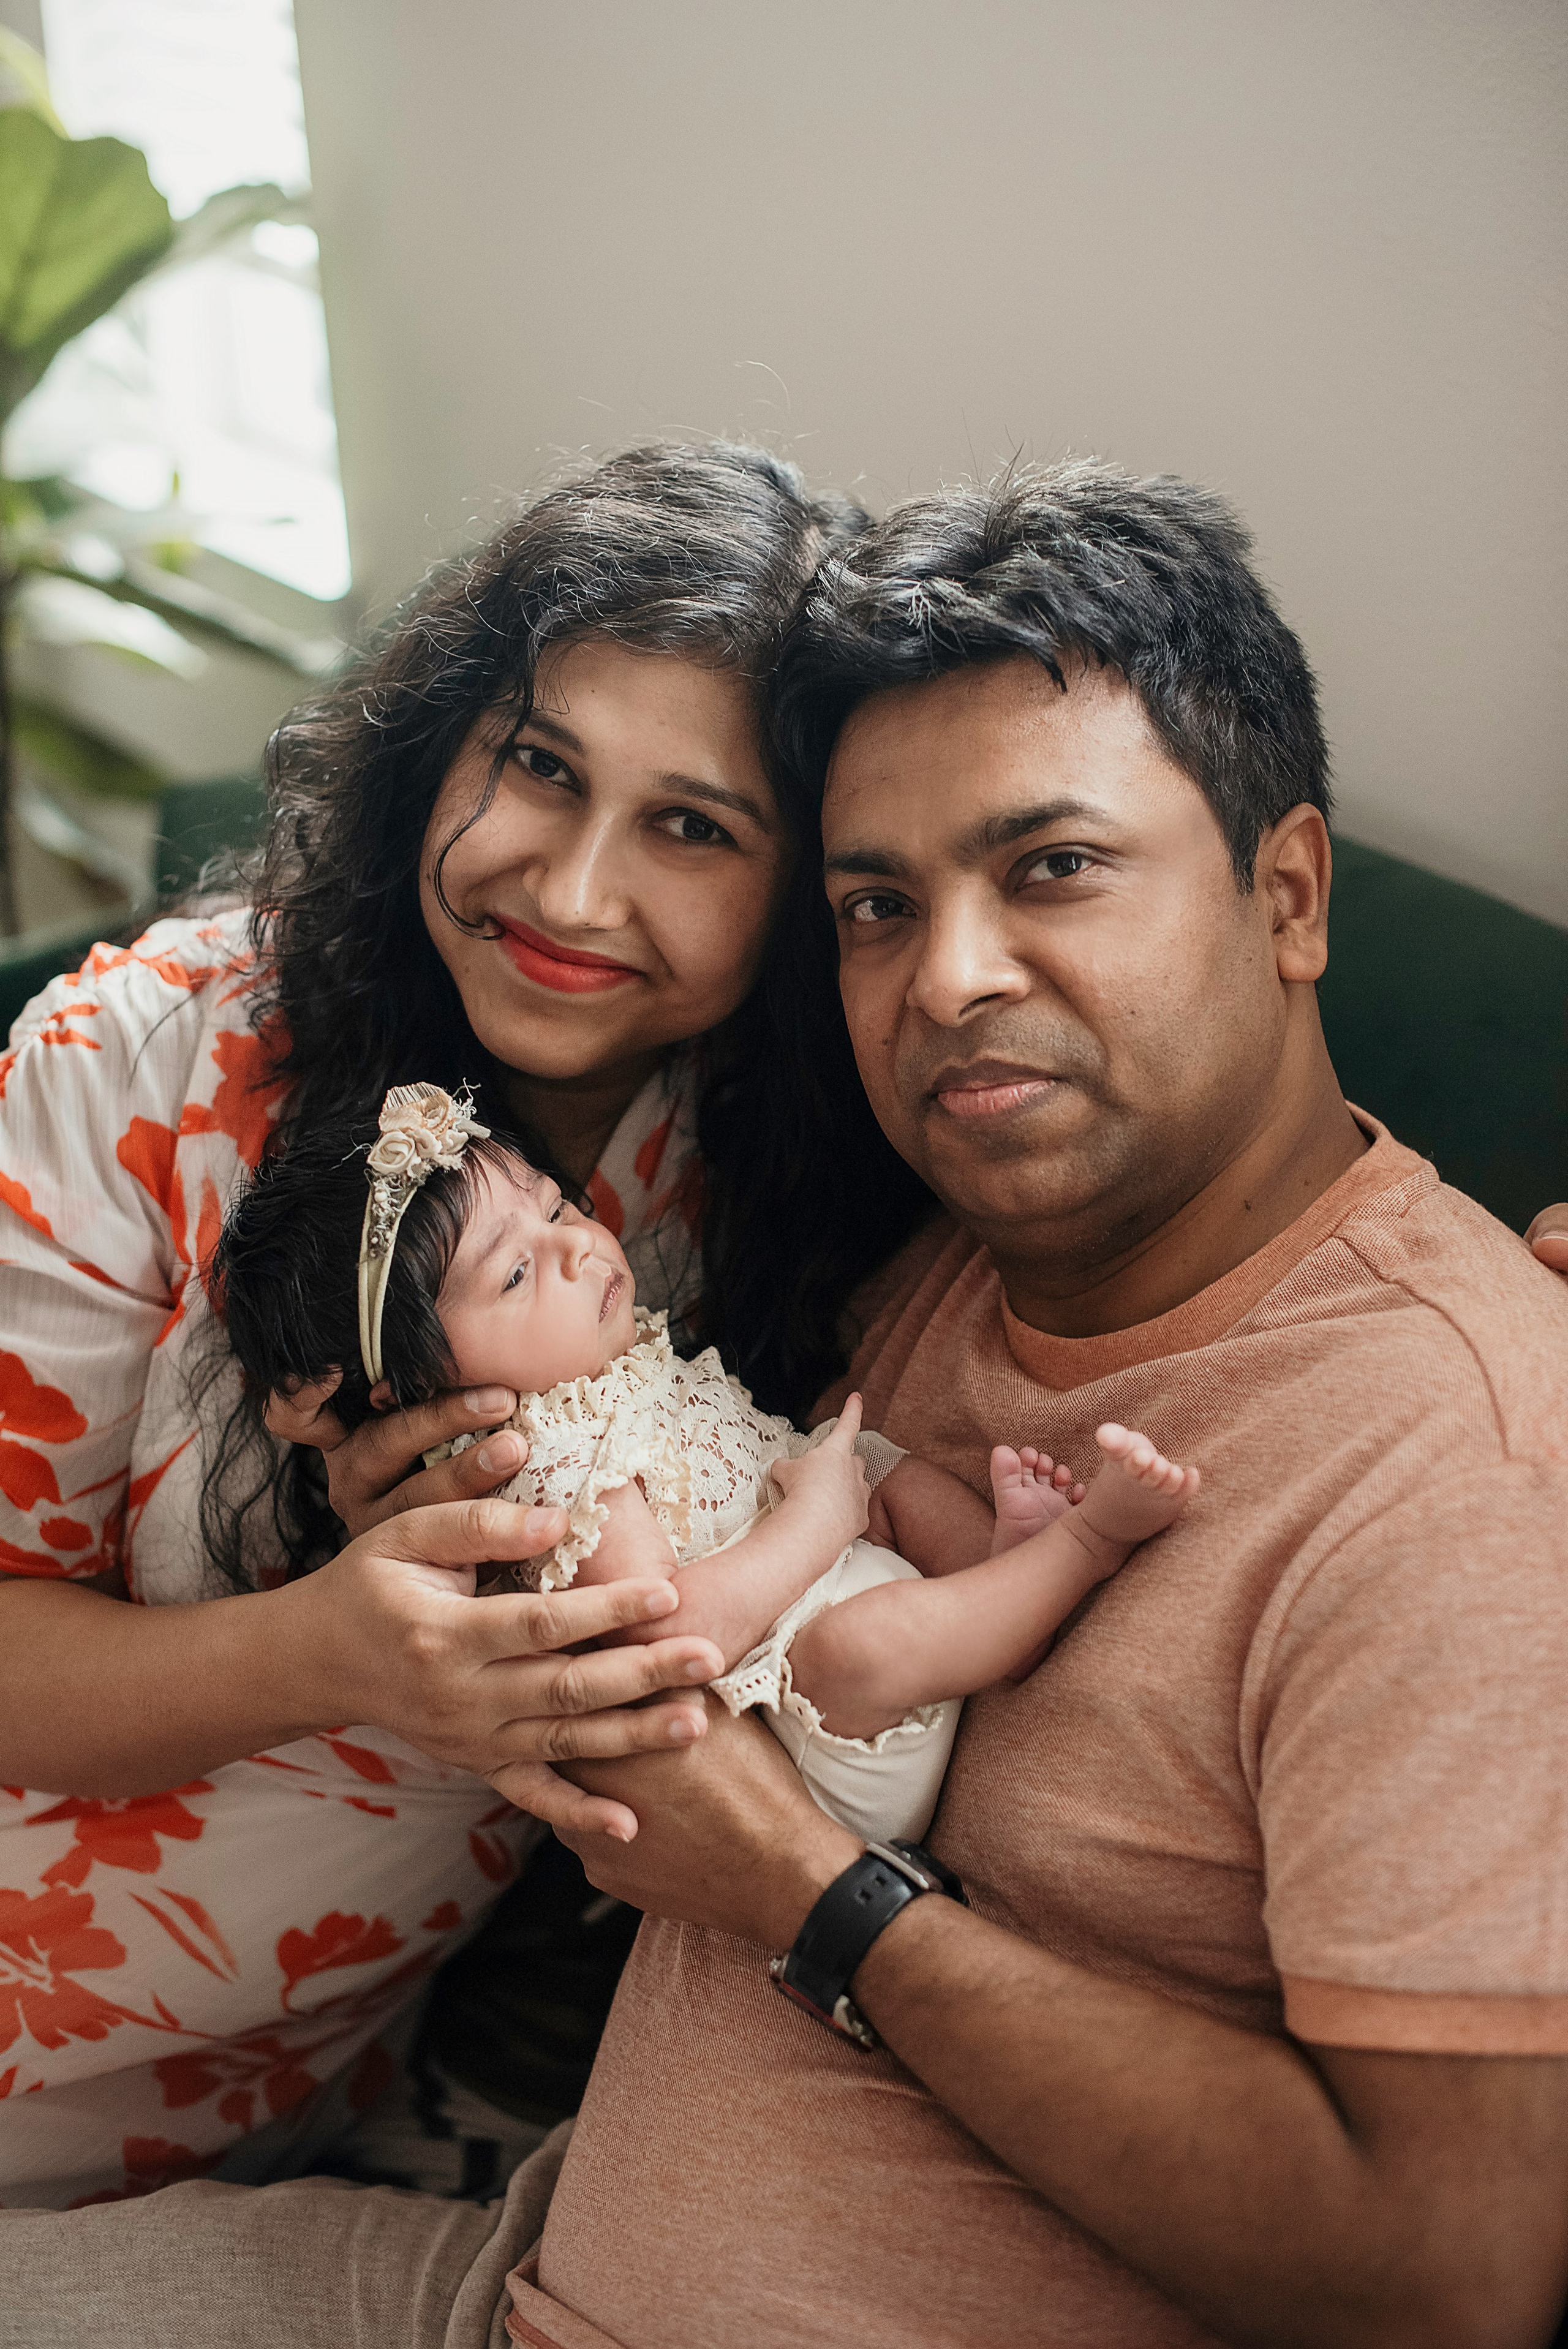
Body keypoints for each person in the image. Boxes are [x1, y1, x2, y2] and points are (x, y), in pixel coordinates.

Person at [6, 460, 1568, 2349]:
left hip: (398, 2142)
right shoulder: (891, 1224)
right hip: (376, 2192)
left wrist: (808, 1888)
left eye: (1052, 866)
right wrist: (339, 1636)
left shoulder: (1413, 1423)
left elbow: (1449, 2268)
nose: (954, 979)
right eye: (881, 905)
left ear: (1290, 892)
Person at [0, 441, 932, 2210]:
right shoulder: (143, 1060)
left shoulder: (791, 1169)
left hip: (279, 2108)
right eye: (538, 764)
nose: (570, 891)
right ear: (442, 744)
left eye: (693, 826)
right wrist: (323, 1651)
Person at [213, 1081, 1196, 1844]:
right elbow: (669, 1638)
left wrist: (834, 1501)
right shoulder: (541, 1465)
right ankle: (1079, 1550)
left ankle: (999, 1563)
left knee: (884, 1467)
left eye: (557, 1210)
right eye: (513, 1274)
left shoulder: (609, 1362)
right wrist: (820, 1521)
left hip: (823, 1566)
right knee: (862, 1635)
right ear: (408, 1387)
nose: (575, 1251)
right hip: (817, 1730)